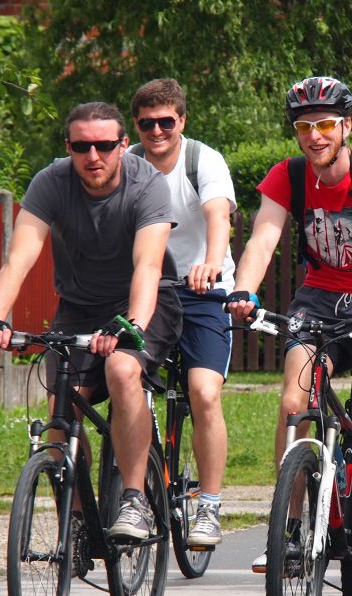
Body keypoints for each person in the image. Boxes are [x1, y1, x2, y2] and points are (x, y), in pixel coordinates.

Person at [226, 76, 352, 569]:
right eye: (304, 126)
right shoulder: (288, 176)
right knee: (294, 402)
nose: (314, 135)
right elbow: (261, 240)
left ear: (346, 126)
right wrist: (244, 290)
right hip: (319, 302)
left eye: (325, 124)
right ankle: (289, 531)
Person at [0, 101, 182, 543]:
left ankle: (134, 500)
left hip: (144, 301)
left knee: (123, 369)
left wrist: (130, 325)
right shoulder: (51, 183)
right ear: (67, 147)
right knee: (59, 422)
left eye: (105, 146)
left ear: (124, 146)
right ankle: (76, 522)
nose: (94, 156)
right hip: (79, 305)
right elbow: (18, 260)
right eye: (82, 146)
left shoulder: (148, 185)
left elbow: (147, 267)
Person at [129, 78, 237, 546]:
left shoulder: (203, 160)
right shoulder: (127, 164)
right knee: (125, 381)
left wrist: (211, 264)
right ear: (137, 125)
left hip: (201, 290)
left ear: (182, 121)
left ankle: (209, 506)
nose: (157, 131)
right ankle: (132, 490)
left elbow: (219, 217)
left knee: (203, 392)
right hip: (147, 290)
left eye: (166, 122)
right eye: (148, 123)